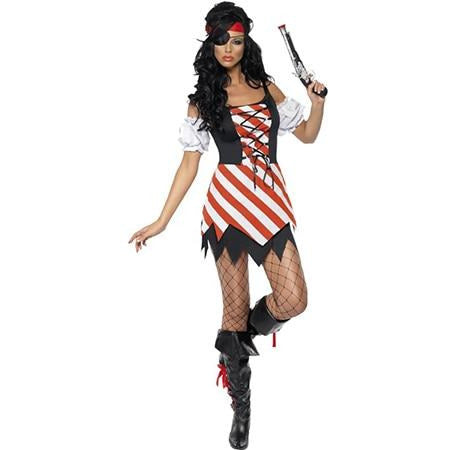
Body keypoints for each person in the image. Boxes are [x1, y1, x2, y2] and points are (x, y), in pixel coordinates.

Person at [128, 2, 326, 449]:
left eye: (236, 40)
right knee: (232, 312)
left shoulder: (266, 87)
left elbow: (308, 135)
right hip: (228, 206)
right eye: (221, 41)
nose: (229, 49)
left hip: (270, 202)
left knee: (293, 299)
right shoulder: (203, 100)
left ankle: (236, 342)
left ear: (245, 42)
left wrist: (317, 104)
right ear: (210, 44)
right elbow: (189, 165)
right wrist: (161, 221)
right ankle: (241, 405)